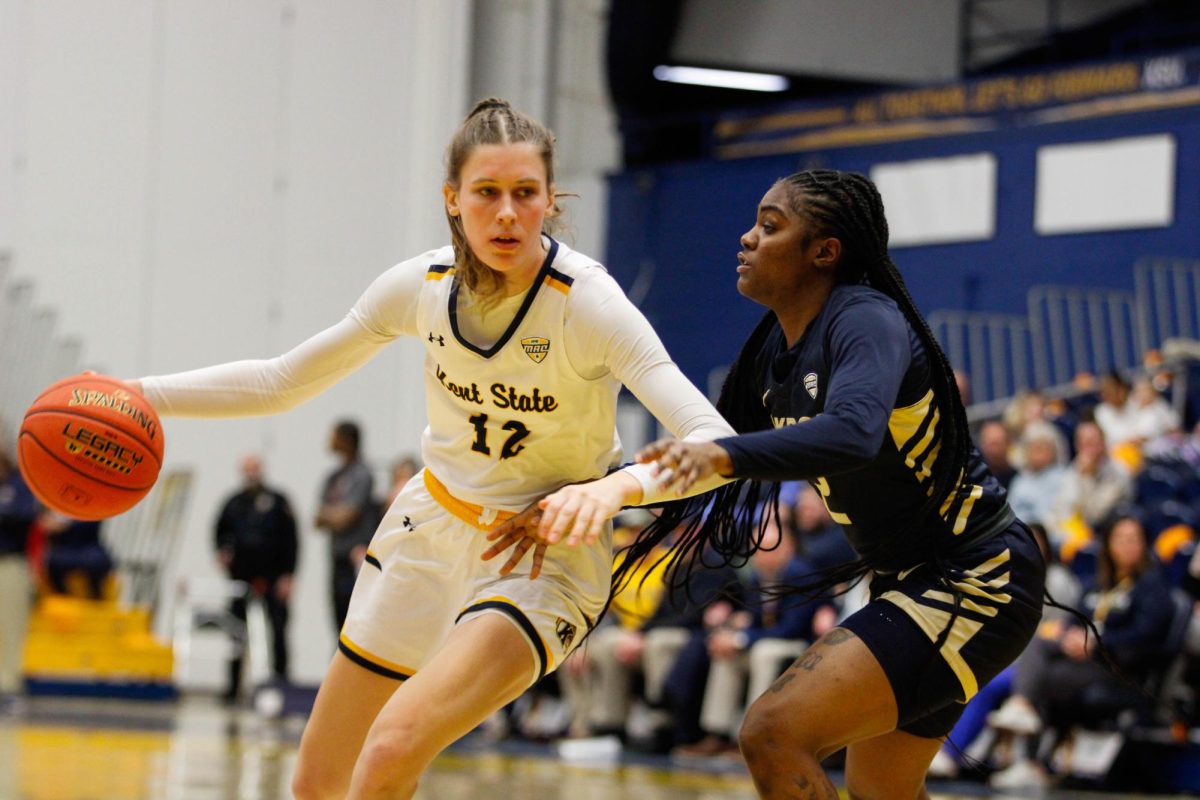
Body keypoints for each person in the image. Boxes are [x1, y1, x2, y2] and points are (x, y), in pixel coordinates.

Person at [129, 98, 733, 799]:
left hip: (537, 556)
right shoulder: (420, 286)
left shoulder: (585, 303)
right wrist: (137, 393)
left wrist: (612, 489)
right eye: (486, 193)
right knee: (316, 784)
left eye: (524, 194)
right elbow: (281, 381)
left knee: (392, 747)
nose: (506, 213)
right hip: (429, 530)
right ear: (453, 199)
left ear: (549, 200)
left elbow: (714, 442)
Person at [629, 170, 1045, 797]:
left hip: (975, 576)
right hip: (912, 584)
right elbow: (699, 455)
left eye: (769, 227)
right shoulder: (773, 349)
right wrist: (591, 491)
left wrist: (719, 455)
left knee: (773, 731)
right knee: (882, 792)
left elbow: (853, 435)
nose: (745, 238)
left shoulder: (866, 320)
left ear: (824, 251)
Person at [214, 453, 298, 702]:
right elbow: (219, 532)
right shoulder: (233, 502)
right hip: (241, 579)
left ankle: (281, 683)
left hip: (273, 577)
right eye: (247, 469)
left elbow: (292, 541)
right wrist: (222, 552)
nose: (251, 474)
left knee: (278, 629)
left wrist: (289, 575)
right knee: (236, 631)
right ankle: (232, 686)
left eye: (255, 469)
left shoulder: (278, 501)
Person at [315, 420, 376, 634]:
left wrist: (333, 515)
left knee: (353, 620)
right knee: (336, 618)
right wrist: (335, 514)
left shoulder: (362, 474)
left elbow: (349, 515)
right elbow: (317, 519)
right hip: (336, 556)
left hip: (354, 558)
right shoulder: (333, 477)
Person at [0, 449, 37, 709]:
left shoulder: (20, 484)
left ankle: (8, 689)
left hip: (10, 562)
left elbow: (25, 515)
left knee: (10, 629)